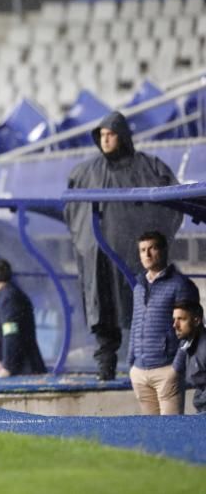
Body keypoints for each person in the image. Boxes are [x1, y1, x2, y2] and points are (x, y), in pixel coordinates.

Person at [64, 111, 182, 380]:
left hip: (132, 257)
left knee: (146, 311)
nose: (105, 140)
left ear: (123, 136)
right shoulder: (85, 172)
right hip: (98, 259)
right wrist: (86, 244)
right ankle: (105, 367)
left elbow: (170, 205)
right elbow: (71, 211)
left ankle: (153, 366)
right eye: (102, 135)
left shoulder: (149, 166)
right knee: (103, 311)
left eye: (110, 135)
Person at [128, 231, 199, 415]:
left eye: (152, 248)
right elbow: (135, 323)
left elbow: (191, 330)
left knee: (171, 433)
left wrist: (176, 368)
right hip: (140, 372)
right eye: (143, 250)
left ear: (164, 250)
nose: (147, 255)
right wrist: (132, 363)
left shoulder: (181, 285)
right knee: (149, 435)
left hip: (166, 370)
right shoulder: (138, 286)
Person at [0, 259, 47, 377]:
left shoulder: (9, 298)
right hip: (20, 369)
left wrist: (8, 367)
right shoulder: (6, 295)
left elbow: (11, 332)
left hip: (23, 370)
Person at [173, 300, 206, 415]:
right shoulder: (188, 344)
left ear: (196, 321)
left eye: (181, 319)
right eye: (174, 319)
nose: (175, 325)